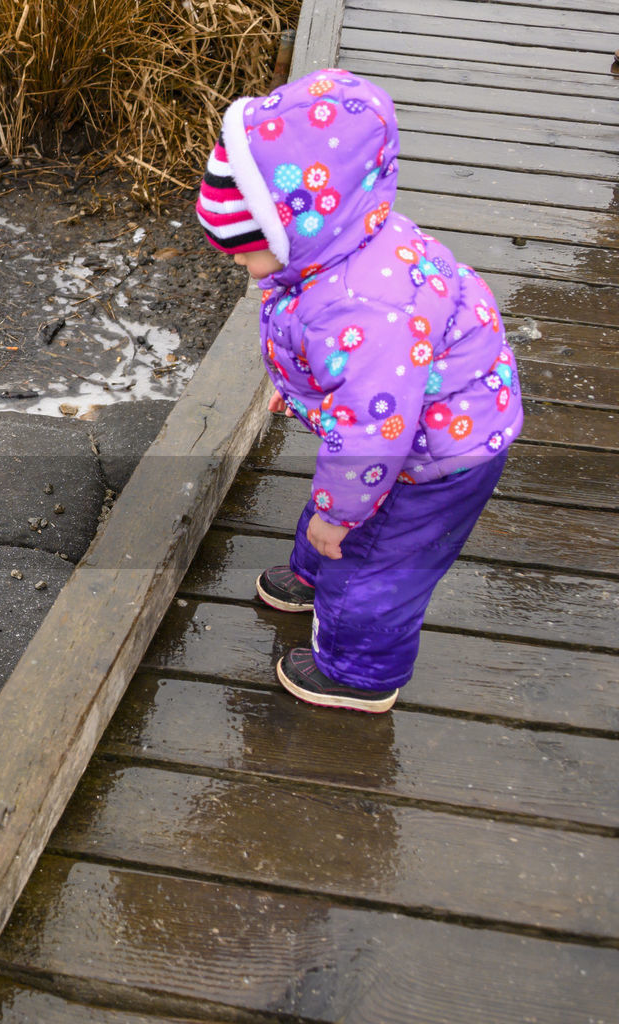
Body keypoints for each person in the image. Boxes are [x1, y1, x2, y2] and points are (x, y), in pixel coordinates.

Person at [195, 68, 523, 712]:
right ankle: (317, 570)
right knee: (341, 517)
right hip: (409, 419)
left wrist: (338, 513)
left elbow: (375, 434)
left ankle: (358, 672)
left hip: (430, 455)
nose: (236, 260)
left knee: (373, 557)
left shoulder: (362, 309)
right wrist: (294, 389)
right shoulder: (337, 247)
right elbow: (334, 368)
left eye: (245, 248)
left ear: (295, 226)